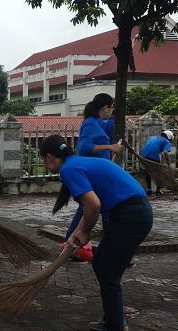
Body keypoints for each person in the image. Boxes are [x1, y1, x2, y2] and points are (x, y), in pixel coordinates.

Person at [40, 134, 152, 331]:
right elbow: (88, 207)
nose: (45, 165)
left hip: (130, 216)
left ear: (49, 157)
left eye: (44, 161)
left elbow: (93, 205)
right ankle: (114, 319)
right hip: (130, 213)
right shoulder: (79, 162)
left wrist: (85, 233)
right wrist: (79, 231)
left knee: (108, 273)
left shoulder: (68, 169)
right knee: (100, 262)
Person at [63, 93, 123, 261]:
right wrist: (110, 147)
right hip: (95, 176)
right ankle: (113, 253)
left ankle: (71, 247)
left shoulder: (95, 122)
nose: (111, 111)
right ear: (105, 108)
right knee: (105, 211)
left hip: (97, 175)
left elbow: (106, 129)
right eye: (111, 108)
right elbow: (84, 146)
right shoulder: (90, 123)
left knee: (87, 210)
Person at [140, 130, 173, 195]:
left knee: (148, 172)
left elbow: (147, 144)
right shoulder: (166, 141)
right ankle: (159, 189)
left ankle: (149, 189)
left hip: (144, 154)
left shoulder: (153, 137)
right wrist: (168, 162)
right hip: (153, 154)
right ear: (169, 137)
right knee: (158, 172)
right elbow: (166, 152)